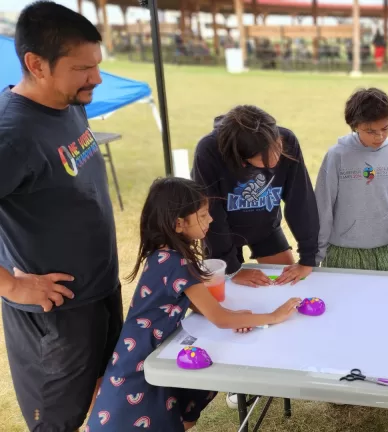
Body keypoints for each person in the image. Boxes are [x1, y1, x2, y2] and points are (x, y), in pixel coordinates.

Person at [86, 177, 302, 431]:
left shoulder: (162, 254)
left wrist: (233, 315)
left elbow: (196, 304)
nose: (210, 219)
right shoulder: (178, 264)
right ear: (179, 224)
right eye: (202, 215)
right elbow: (219, 319)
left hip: (141, 351)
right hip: (144, 360)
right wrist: (272, 316)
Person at [0, 3, 124, 430]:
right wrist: (12, 284)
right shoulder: (11, 134)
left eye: (97, 65)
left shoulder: (71, 102)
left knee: (106, 395)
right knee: (57, 421)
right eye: (83, 68)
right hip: (56, 317)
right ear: (36, 64)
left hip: (100, 290)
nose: (97, 78)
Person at [192, 105, 319, 286]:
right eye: (264, 159)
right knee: (229, 296)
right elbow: (211, 212)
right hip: (222, 234)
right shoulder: (209, 150)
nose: (276, 158)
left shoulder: (287, 139)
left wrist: (308, 257)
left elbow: (300, 200)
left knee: (287, 285)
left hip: (266, 227)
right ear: (241, 159)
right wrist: (232, 268)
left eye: (278, 147)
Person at [315, 88, 388, 272]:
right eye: (370, 131)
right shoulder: (337, 155)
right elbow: (323, 207)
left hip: (385, 251)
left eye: (385, 128)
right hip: (343, 252)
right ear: (355, 125)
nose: (379, 137)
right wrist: (315, 255)